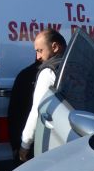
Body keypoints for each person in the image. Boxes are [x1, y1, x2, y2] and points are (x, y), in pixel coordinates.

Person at [18, 29, 67, 161]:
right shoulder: (76, 66)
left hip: (54, 141)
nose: (38, 57)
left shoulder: (48, 72)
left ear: (55, 47)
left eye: (40, 50)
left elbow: (38, 110)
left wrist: (25, 144)